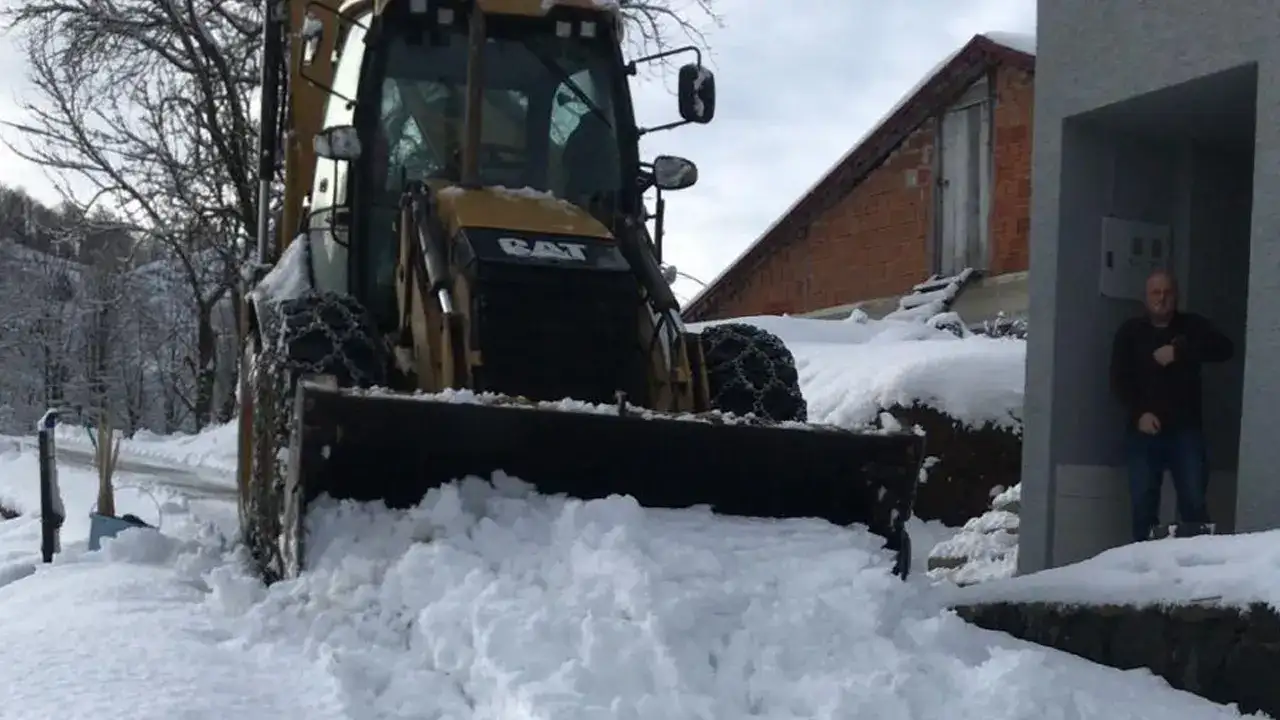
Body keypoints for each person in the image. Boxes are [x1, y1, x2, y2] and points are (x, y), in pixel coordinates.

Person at [1109, 268, 1234, 543]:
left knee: (1194, 502)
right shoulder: (1130, 332)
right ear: (1145, 297)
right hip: (1143, 431)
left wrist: (1180, 351)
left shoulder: (1192, 327)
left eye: (1167, 292)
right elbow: (1119, 379)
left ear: (1176, 296)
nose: (1161, 298)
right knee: (1143, 505)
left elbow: (1225, 348)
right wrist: (1139, 414)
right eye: (1156, 292)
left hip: (1186, 430)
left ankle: (1196, 559)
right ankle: (1143, 562)